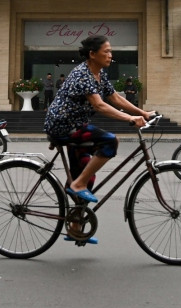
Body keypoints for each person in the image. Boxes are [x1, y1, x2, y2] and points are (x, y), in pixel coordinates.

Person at [43, 35, 155, 204]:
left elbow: (115, 98)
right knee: (110, 141)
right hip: (64, 125)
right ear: (93, 54)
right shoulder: (83, 74)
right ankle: (78, 185)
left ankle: (76, 226)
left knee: (87, 174)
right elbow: (99, 105)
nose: (110, 55)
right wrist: (130, 118)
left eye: (111, 52)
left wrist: (143, 113)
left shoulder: (99, 73)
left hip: (77, 125)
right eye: (107, 51)